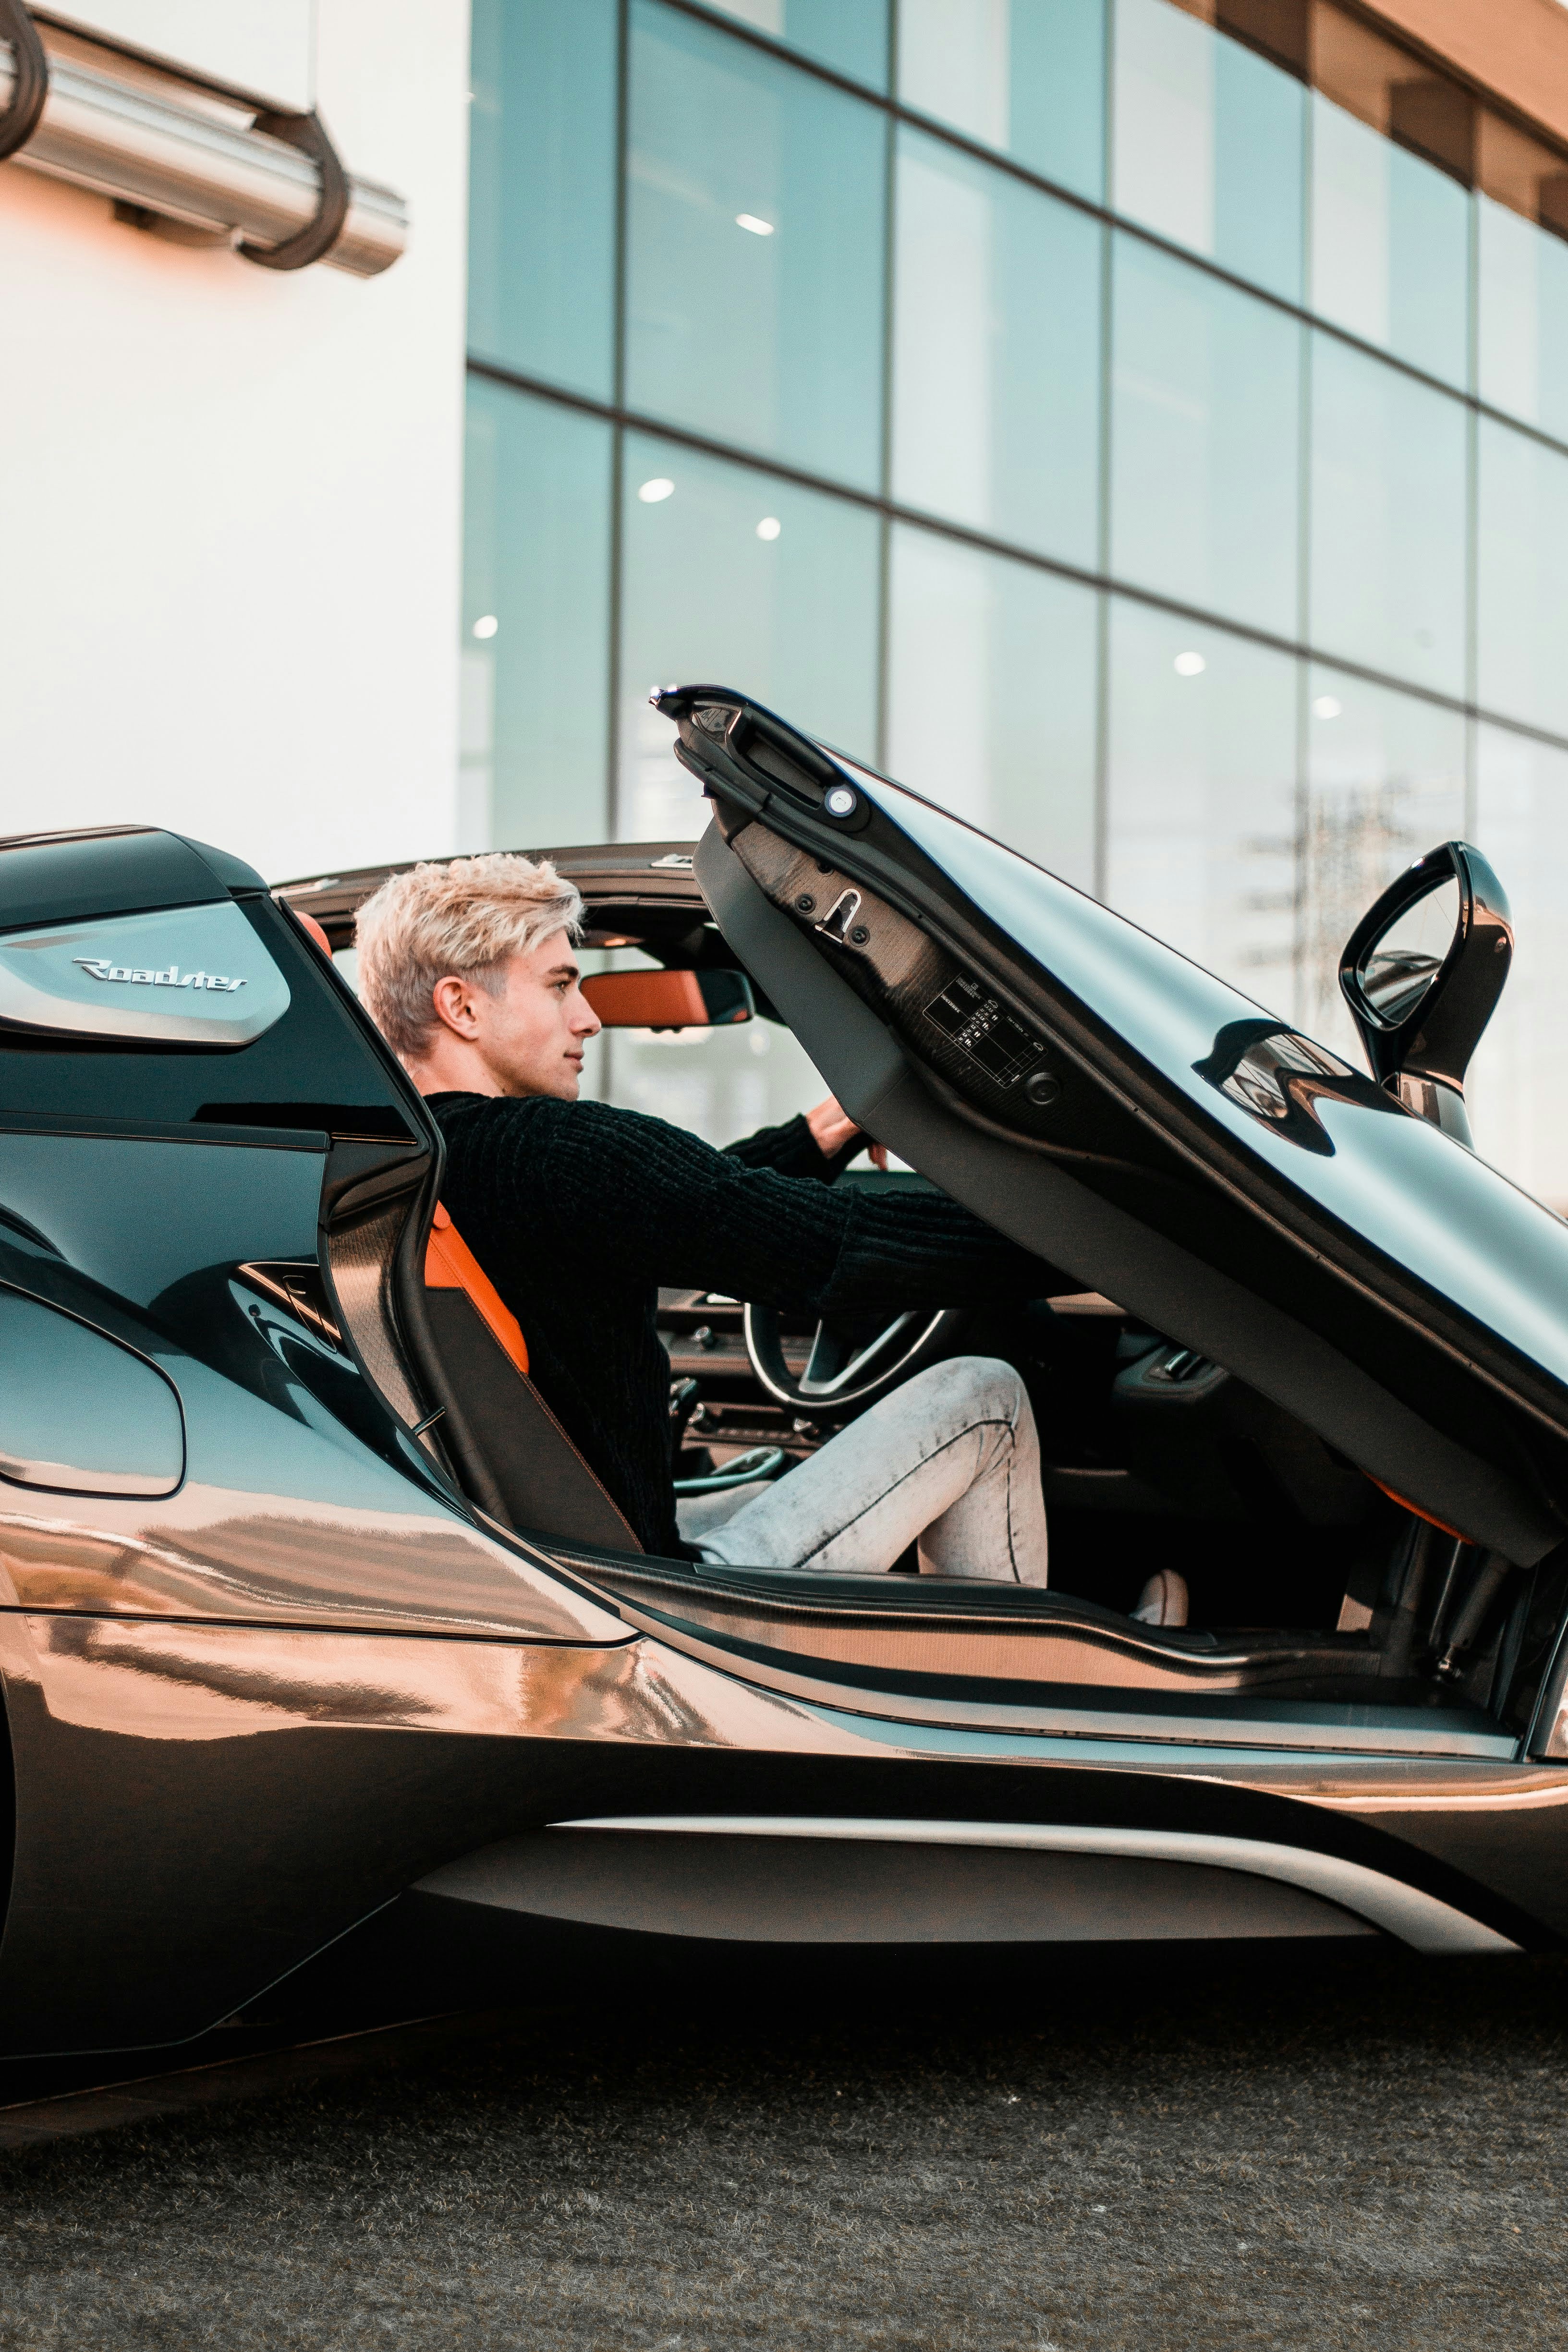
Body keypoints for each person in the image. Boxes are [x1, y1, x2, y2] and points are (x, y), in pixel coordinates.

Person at [354, 850, 1185, 1621]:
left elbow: (683, 1197)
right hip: (655, 1589)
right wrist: (1109, 1240)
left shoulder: (392, 1171)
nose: (589, 1018)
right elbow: (826, 1245)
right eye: (560, 984)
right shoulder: (554, 1154)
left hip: (544, 1559)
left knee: (783, 1472)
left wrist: (822, 1134)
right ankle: (1029, 1690)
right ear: (461, 1004)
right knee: (984, 1396)